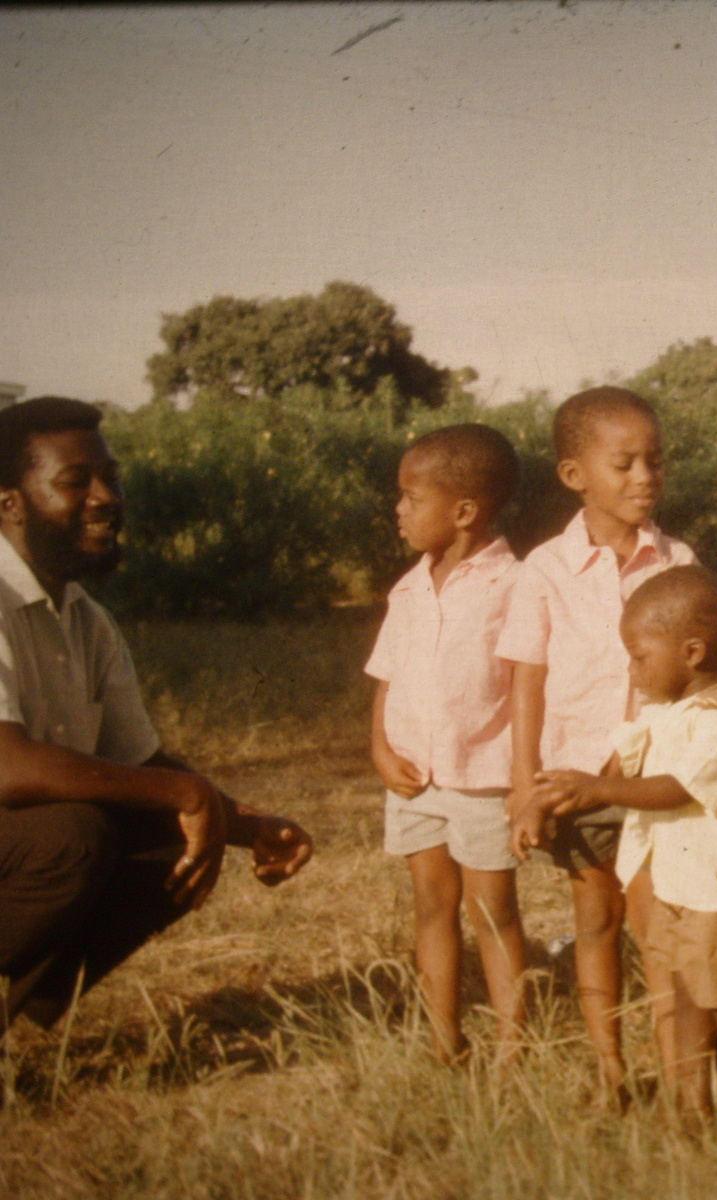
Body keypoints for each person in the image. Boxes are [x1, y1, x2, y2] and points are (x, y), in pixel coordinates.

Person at [0, 397, 313, 1032]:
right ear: (10, 503)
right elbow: (5, 766)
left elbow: (139, 763)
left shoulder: (84, 616)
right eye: (74, 481)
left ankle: (25, 1013)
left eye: (110, 478)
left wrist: (247, 824)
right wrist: (185, 792)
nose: (105, 497)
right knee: (71, 839)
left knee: (178, 837)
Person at [523, 565, 717, 1137]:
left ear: (691, 652)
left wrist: (599, 789)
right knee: (688, 997)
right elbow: (617, 770)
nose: (631, 670)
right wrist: (555, 797)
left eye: (638, 657)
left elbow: (675, 788)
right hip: (676, 886)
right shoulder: (663, 711)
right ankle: (691, 1106)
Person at [498, 386, 696, 1101]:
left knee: (653, 921)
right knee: (595, 917)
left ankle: (680, 1076)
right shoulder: (543, 571)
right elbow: (526, 684)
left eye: (656, 461)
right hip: (574, 782)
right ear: (575, 475)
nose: (645, 477)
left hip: (653, 784)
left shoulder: (678, 559)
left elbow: (703, 675)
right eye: (625, 464)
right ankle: (609, 1068)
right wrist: (525, 787)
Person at [366, 423, 527, 1063]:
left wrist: (522, 778)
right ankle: (443, 1037)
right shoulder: (408, 588)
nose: (398, 509)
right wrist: (380, 748)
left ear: (463, 511)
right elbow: (387, 677)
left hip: (480, 778)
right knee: (433, 906)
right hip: (413, 779)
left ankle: (513, 1045)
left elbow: (524, 686)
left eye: (411, 496)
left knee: (493, 914)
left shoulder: (514, 585)